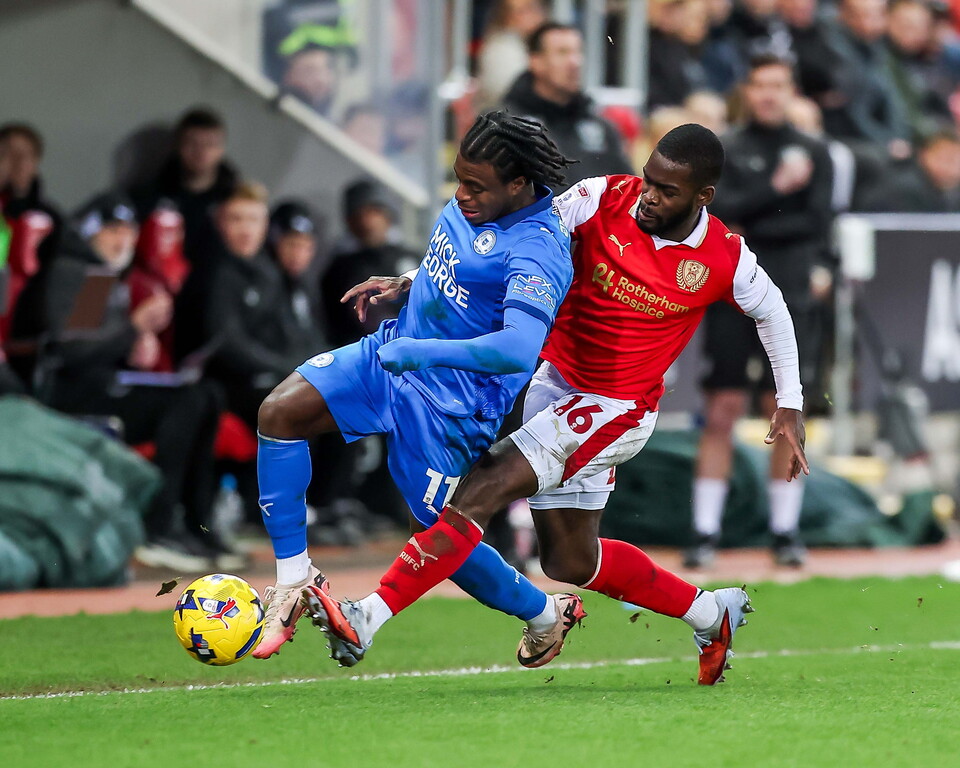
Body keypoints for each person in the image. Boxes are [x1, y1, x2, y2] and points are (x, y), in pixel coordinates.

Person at [302, 123, 808, 686]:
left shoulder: (724, 257)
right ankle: (712, 614)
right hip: (555, 383)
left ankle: (366, 618)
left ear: (703, 196)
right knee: (570, 562)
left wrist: (789, 402)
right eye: (648, 180)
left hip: (614, 407)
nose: (648, 196)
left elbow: (774, 311)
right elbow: (523, 240)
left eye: (667, 191)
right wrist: (415, 279)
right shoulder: (600, 199)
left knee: (482, 488)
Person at [251, 111, 576, 660]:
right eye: (459, 179)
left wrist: (419, 352)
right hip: (394, 352)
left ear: (518, 183)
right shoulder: (479, 201)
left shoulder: (539, 249)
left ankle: (546, 614)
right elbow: (461, 270)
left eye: (476, 186)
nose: (462, 194)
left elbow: (518, 348)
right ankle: (294, 579)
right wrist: (408, 284)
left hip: (452, 404)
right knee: (280, 413)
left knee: (434, 537)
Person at [23, 192, 222, 571]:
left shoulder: (102, 273)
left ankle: (198, 525)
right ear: (90, 233)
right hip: (72, 397)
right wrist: (133, 328)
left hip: (98, 385)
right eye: (112, 231)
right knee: (187, 401)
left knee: (207, 395)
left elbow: (93, 344)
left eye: (129, 231)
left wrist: (133, 344)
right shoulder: (85, 272)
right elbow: (74, 351)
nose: (123, 240)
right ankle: (158, 527)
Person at [687, 54, 831, 569]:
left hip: (788, 295)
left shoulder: (814, 150)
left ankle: (785, 530)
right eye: (760, 84)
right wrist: (777, 192)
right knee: (722, 406)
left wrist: (753, 221)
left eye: (778, 85)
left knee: (784, 405)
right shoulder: (726, 148)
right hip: (730, 293)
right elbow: (715, 214)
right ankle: (704, 531)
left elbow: (815, 223)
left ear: (791, 92)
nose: (769, 94)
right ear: (746, 91)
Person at [502, 22, 633, 187]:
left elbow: (628, 189)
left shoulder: (603, 129)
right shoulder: (506, 125)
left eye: (578, 52)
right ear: (536, 61)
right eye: (562, 53)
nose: (574, 62)